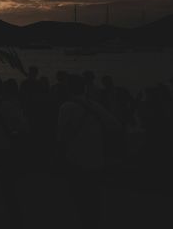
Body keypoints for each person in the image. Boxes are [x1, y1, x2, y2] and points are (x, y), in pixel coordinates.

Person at [57, 74, 120, 229]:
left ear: (68, 88)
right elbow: (114, 125)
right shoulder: (94, 105)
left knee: (79, 196)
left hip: (75, 158)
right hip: (96, 157)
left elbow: (60, 137)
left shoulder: (66, 107)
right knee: (94, 196)